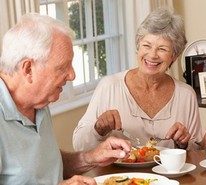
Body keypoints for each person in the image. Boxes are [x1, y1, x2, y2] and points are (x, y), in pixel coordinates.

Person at [0, 14, 132, 185]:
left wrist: (90, 157)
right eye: (62, 67)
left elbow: (47, 166)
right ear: (28, 69)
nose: (72, 75)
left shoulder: (39, 102)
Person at [73, 8, 202, 151]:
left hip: (169, 173)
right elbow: (79, 145)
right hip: (118, 173)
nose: (152, 55)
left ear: (174, 55)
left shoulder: (186, 95)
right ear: (138, 46)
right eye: (147, 45)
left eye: (162, 49)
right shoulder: (109, 86)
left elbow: (197, 153)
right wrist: (98, 129)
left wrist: (184, 143)